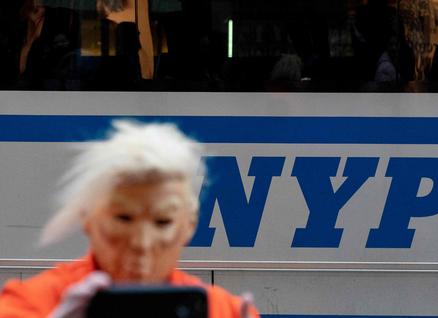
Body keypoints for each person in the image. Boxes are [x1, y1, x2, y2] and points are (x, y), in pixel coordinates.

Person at [0, 121, 259, 318]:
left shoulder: (226, 311)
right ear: (87, 218)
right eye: (124, 218)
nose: (142, 242)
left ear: (188, 226)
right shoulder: (28, 305)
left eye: (162, 222)